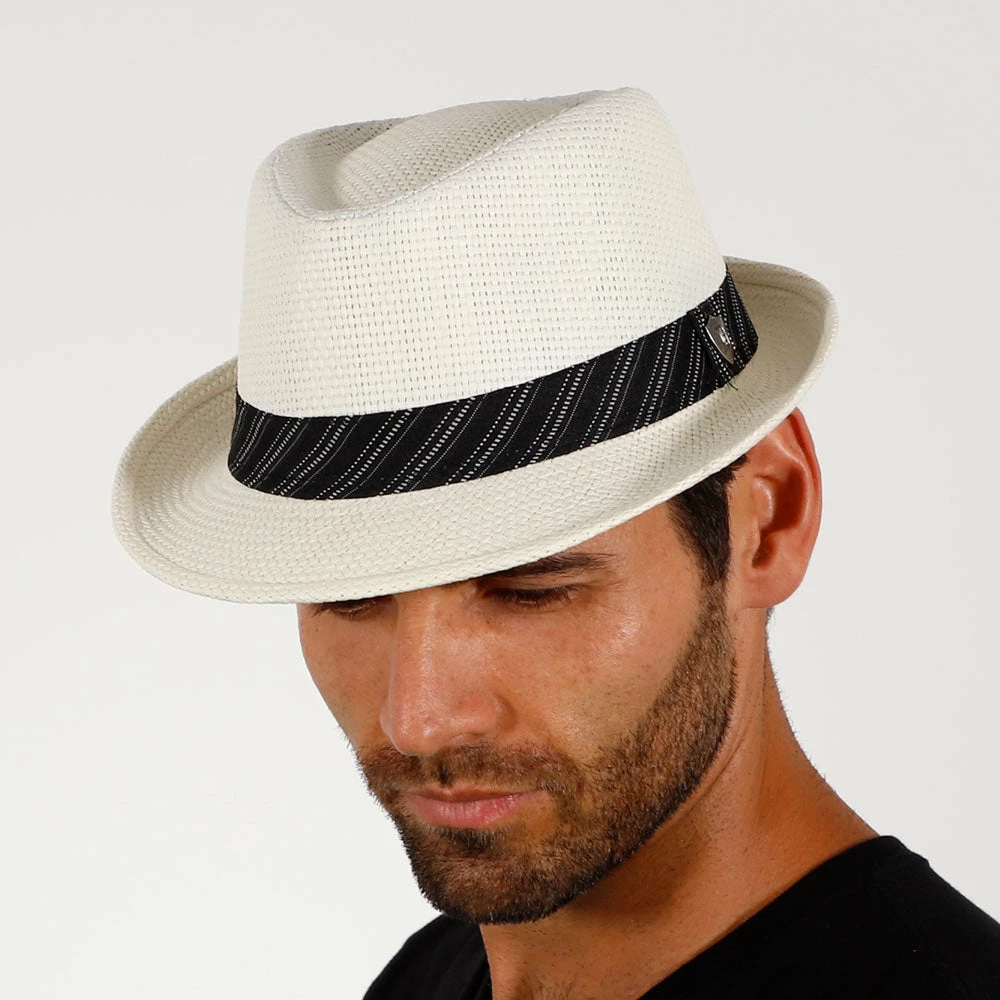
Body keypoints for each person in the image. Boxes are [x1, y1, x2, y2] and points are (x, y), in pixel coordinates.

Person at [112, 87, 1000, 998]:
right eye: (349, 596)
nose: (419, 720)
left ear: (767, 518)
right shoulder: (430, 977)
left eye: (530, 589)